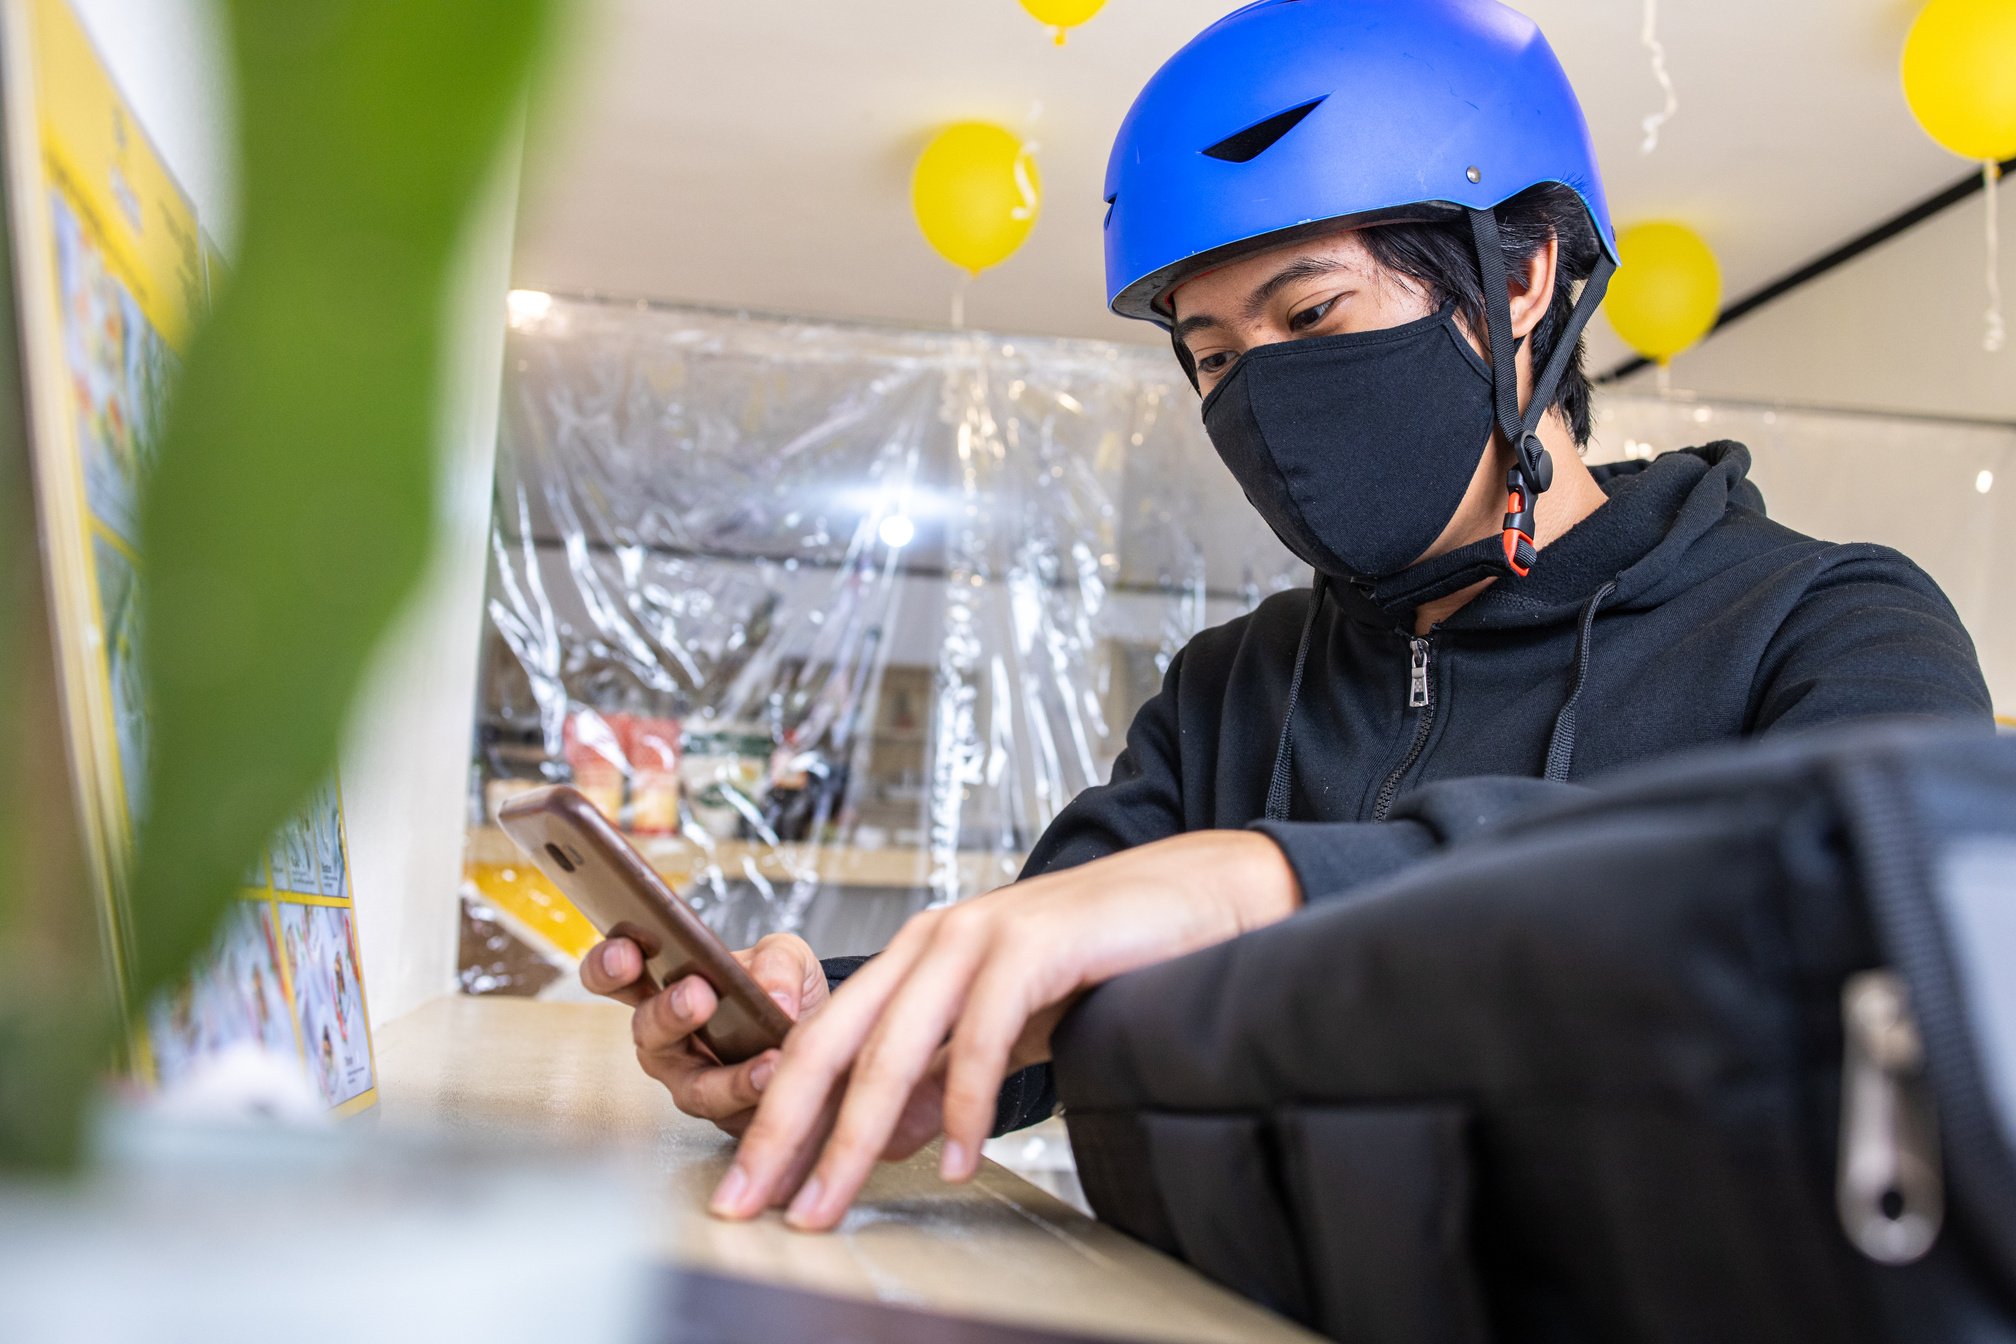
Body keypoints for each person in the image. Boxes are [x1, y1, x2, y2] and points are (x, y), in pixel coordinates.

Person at [582, 0, 1993, 1232]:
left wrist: (1267, 883)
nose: (1258, 393)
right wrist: (828, 1028)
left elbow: (1875, 933)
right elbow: (1039, 977)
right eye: (1210, 355)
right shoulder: (1229, 691)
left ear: (1518, 278)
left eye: (1309, 317)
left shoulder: (1827, 620)